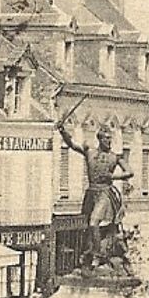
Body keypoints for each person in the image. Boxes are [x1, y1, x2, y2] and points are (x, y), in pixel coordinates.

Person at [55, 114, 134, 270]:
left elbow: (130, 172)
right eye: (106, 139)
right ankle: (89, 251)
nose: (109, 142)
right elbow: (72, 144)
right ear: (100, 139)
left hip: (105, 193)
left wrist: (113, 176)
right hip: (91, 193)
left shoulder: (115, 157)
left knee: (94, 222)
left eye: (110, 139)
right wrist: (62, 131)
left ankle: (98, 255)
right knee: (87, 226)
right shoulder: (90, 153)